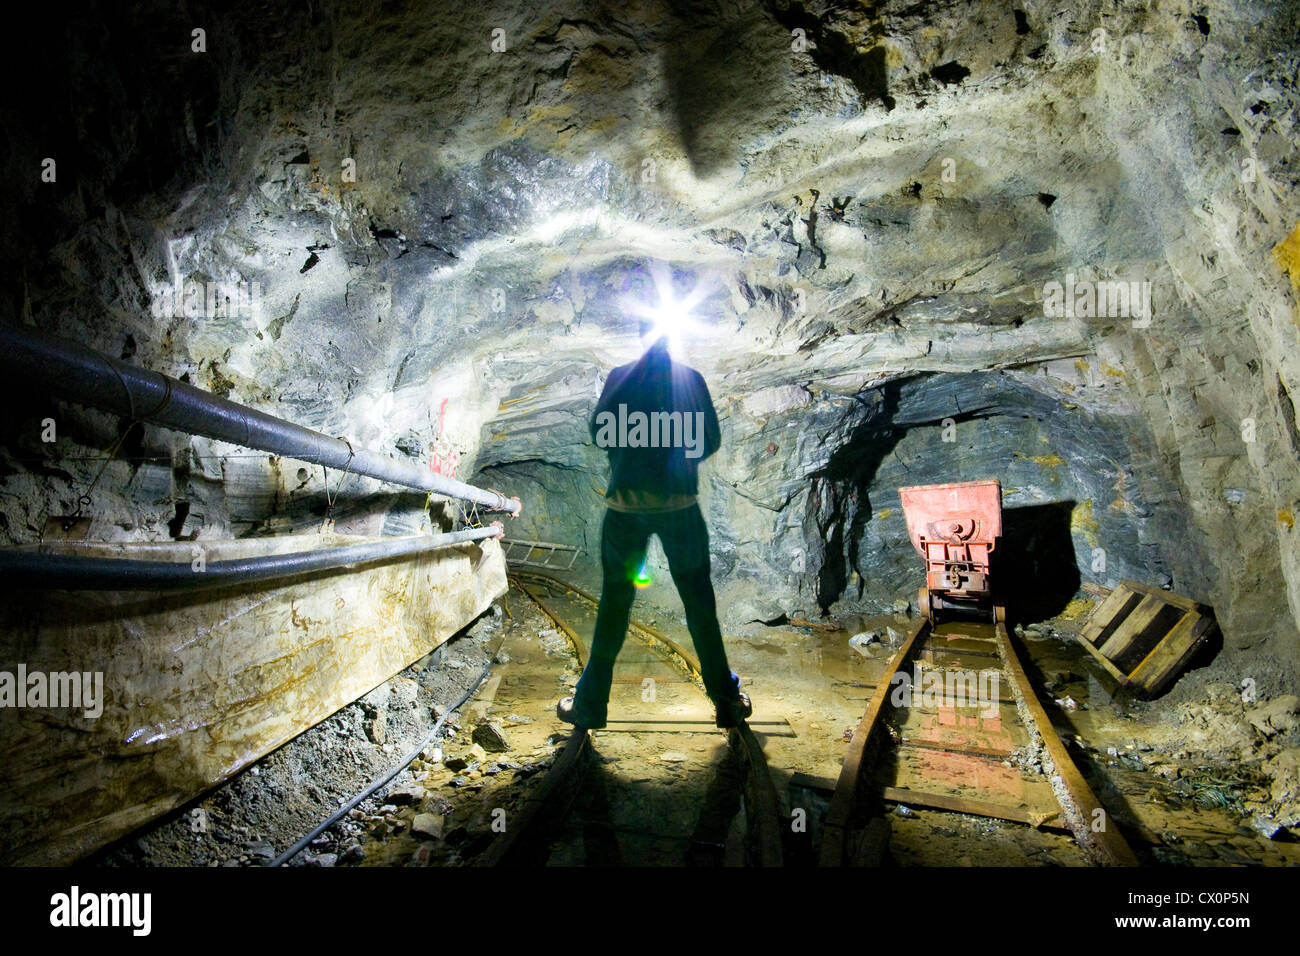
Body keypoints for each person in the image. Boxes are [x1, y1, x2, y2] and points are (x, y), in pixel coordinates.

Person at [557, 319, 752, 730]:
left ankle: (590, 707)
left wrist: (633, 454)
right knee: (700, 607)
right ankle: (727, 703)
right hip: (679, 507)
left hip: (625, 509)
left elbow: (599, 432)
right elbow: (711, 439)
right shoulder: (691, 379)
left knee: (614, 605)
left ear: (640, 336)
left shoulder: (619, 377)